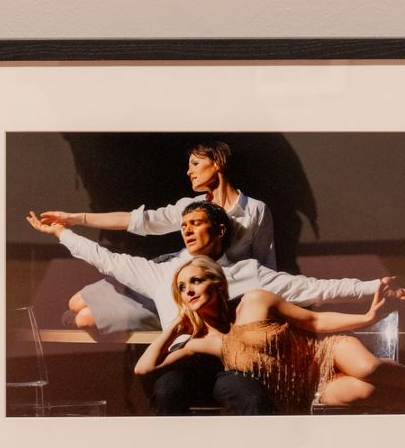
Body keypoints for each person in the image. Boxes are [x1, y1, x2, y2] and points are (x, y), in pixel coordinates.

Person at [26, 199, 405, 413]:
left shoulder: (250, 275)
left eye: (195, 224)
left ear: (218, 231)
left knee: (248, 393)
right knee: (168, 390)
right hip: (187, 357)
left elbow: (314, 291)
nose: (186, 230)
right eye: (183, 226)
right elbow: (105, 259)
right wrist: (62, 232)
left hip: (236, 362)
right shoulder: (162, 274)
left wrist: (376, 288)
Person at [134, 256, 405, 414]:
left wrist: (367, 318)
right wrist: (173, 328)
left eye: (195, 281)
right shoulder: (200, 343)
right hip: (308, 388)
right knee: (365, 392)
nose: (188, 290)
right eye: (182, 288)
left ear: (217, 283)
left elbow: (314, 320)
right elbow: (143, 368)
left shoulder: (255, 300)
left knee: (369, 367)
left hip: (323, 351)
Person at [39, 141, 276, 332]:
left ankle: (158, 317)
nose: (189, 171)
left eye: (195, 163)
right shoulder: (191, 207)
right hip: (166, 274)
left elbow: (265, 264)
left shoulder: (255, 210)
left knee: (84, 318)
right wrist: (75, 218)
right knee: (75, 303)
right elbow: (139, 221)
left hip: (200, 293)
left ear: (217, 163)